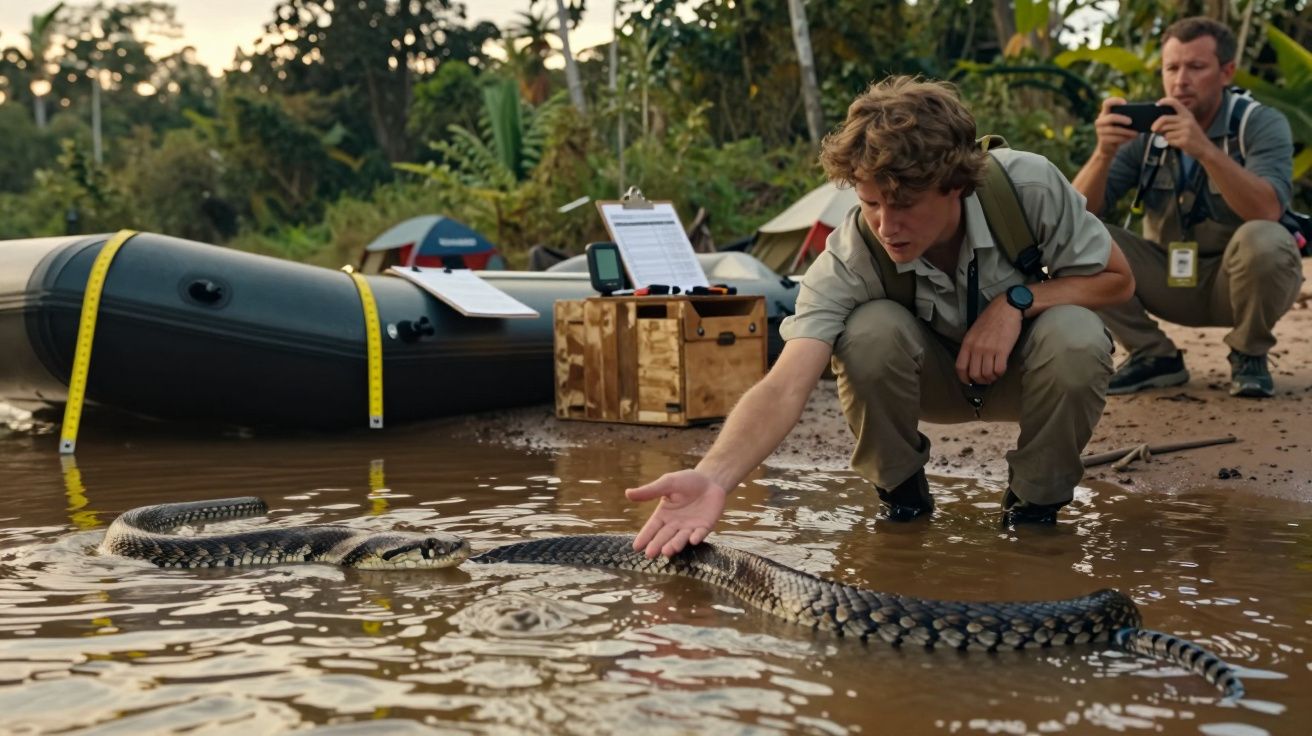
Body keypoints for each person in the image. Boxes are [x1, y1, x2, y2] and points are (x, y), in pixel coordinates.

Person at [626, 75, 1135, 558]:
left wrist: (1018, 301)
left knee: (1078, 335)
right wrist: (713, 476)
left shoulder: (1028, 186)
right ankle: (903, 501)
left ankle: (1033, 513)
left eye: (905, 205)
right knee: (868, 331)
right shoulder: (852, 253)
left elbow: (1117, 280)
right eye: (871, 203)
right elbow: (785, 385)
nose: (887, 227)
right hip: (929, 382)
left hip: (1022, 376)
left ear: (955, 185)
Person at [1071, 17, 1301, 399]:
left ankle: (1249, 354)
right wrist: (1103, 154)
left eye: (1196, 67)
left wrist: (1205, 150)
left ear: (1226, 71)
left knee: (1267, 238)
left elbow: (1268, 209)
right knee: (1075, 237)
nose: (1180, 81)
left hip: (1239, 283)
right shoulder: (1147, 131)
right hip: (1169, 278)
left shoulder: (1259, 123)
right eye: (1172, 68)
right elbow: (1072, 214)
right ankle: (1154, 356)